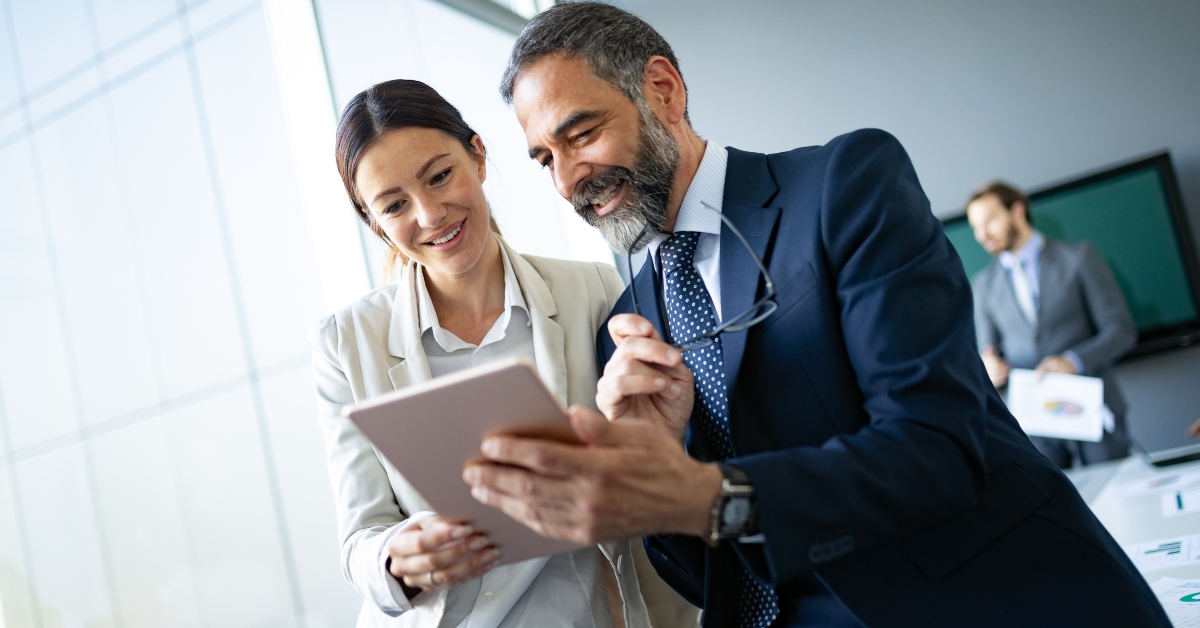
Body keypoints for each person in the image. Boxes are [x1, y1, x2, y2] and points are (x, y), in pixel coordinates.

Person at [459, 3, 1171, 627]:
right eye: (544, 159)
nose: (567, 179)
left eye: (580, 134)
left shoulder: (843, 186)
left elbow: (939, 448)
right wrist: (658, 469)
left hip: (975, 599)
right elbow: (701, 575)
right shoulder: (630, 321)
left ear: (663, 90)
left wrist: (707, 492)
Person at [308, 79, 698, 628]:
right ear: (374, 223)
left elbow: (663, 463)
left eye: (440, 176)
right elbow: (360, 538)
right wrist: (397, 559)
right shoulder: (346, 344)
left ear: (478, 155)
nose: (430, 214)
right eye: (395, 205)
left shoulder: (593, 293)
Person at [966, 181, 1137, 468]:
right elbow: (988, 353)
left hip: (1094, 412)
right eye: (975, 227)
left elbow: (1121, 330)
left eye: (990, 220)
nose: (982, 234)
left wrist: (1074, 361)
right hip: (1035, 427)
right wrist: (989, 369)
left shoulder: (1079, 257)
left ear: (1017, 211)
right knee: (1052, 510)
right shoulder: (983, 285)